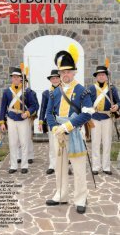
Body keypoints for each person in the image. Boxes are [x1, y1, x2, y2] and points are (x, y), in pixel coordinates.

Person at [46, 48, 92, 214]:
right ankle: (61, 194)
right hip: (58, 134)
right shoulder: (54, 92)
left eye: (69, 71)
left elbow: (87, 113)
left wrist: (68, 126)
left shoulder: (82, 90)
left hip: (75, 133)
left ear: (74, 72)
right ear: (59, 73)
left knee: (79, 168)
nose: (66, 75)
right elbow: (49, 113)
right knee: (59, 167)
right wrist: (54, 127)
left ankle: (80, 198)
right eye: (63, 72)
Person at [0, 67, 37, 174]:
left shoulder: (27, 91)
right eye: (13, 77)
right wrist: (2, 122)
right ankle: (13, 165)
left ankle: (24, 165)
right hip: (11, 119)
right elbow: (3, 107)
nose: (15, 79)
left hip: (23, 118)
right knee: (12, 143)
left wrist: (28, 113)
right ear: (12, 79)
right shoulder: (7, 92)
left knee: (24, 142)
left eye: (17, 77)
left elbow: (34, 106)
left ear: (21, 78)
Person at [89, 65, 120, 175]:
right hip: (95, 118)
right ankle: (96, 167)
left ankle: (106, 166)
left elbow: (118, 101)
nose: (101, 76)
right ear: (96, 77)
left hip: (107, 118)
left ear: (106, 76)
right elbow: (87, 103)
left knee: (107, 142)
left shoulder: (112, 88)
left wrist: (116, 106)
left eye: (103, 74)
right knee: (95, 143)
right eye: (99, 75)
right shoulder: (91, 88)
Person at [38, 69, 60, 174]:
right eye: (53, 78)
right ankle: (52, 165)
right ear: (50, 80)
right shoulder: (46, 93)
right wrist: (41, 121)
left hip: (63, 121)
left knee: (64, 143)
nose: (55, 80)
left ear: (60, 78)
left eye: (56, 77)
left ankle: (63, 164)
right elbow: (43, 108)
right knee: (52, 144)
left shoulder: (65, 90)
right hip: (51, 121)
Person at [17, 76, 39, 164]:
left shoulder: (31, 93)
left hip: (27, 117)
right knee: (17, 138)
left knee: (28, 137)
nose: (22, 83)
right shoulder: (14, 92)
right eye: (20, 81)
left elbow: (35, 105)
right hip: (16, 117)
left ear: (26, 82)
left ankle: (30, 155)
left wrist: (28, 113)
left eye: (23, 81)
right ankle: (19, 156)